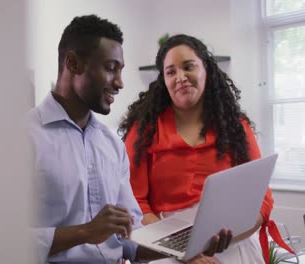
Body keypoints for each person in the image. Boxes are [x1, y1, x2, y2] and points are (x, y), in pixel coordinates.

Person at [29, 16, 231, 264]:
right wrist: (83, 232)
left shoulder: (111, 145)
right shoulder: (22, 139)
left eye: (121, 70)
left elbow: (131, 239)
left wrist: (193, 247)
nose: (120, 83)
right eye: (111, 68)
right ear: (73, 63)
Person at [119, 34, 294, 263]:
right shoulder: (143, 131)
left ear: (206, 70)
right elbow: (135, 202)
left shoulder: (235, 126)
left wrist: (226, 238)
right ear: (163, 79)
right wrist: (185, 252)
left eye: (188, 67)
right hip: (163, 245)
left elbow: (261, 198)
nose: (180, 77)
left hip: (232, 242)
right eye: (170, 72)